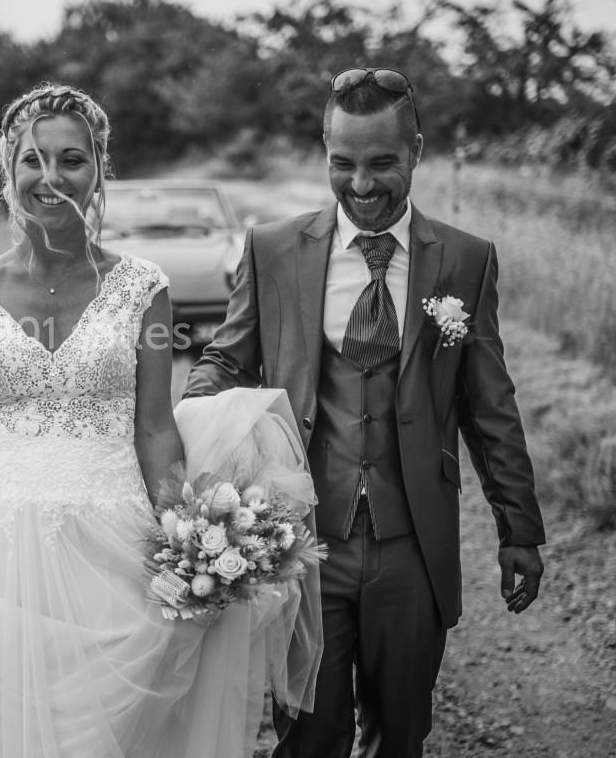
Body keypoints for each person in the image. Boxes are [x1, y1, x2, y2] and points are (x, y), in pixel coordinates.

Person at [0, 82, 321, 757]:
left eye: (72, 159)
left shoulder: (141, 288)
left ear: (100, 170)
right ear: (8, 175)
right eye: (32, 161)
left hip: (117, 544)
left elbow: (155, 430)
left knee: (113, 735)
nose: (52, 177)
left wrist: (186, 540)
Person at [183, 67, 547, 758]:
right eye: (342, 164)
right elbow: (227, 360)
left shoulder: (465, 261)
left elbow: (489, 403)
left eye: (383, 163)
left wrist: (518, 528)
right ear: (325, 151)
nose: (362, 184)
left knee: (401, 728)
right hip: (302, 540)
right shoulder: (272, 249)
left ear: (416, 150)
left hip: (413, 539)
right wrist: (187, 433)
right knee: (310, 732)